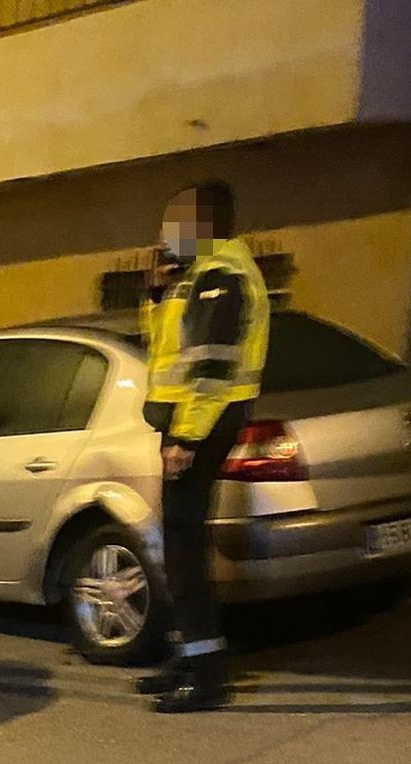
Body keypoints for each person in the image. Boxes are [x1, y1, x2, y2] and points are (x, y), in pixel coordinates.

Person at [134, 181, 269, 714]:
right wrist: (154, 292)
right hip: (194, 421)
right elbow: (164, 348)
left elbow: (212, 368)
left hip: (202, 421)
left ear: (206, 224)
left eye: (178, 222)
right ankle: (192, 656)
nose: (168, 234)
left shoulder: (221, 275)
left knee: (184, 550)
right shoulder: (197, 275)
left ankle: (206, 675)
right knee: (179, 547)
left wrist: (186, 438)